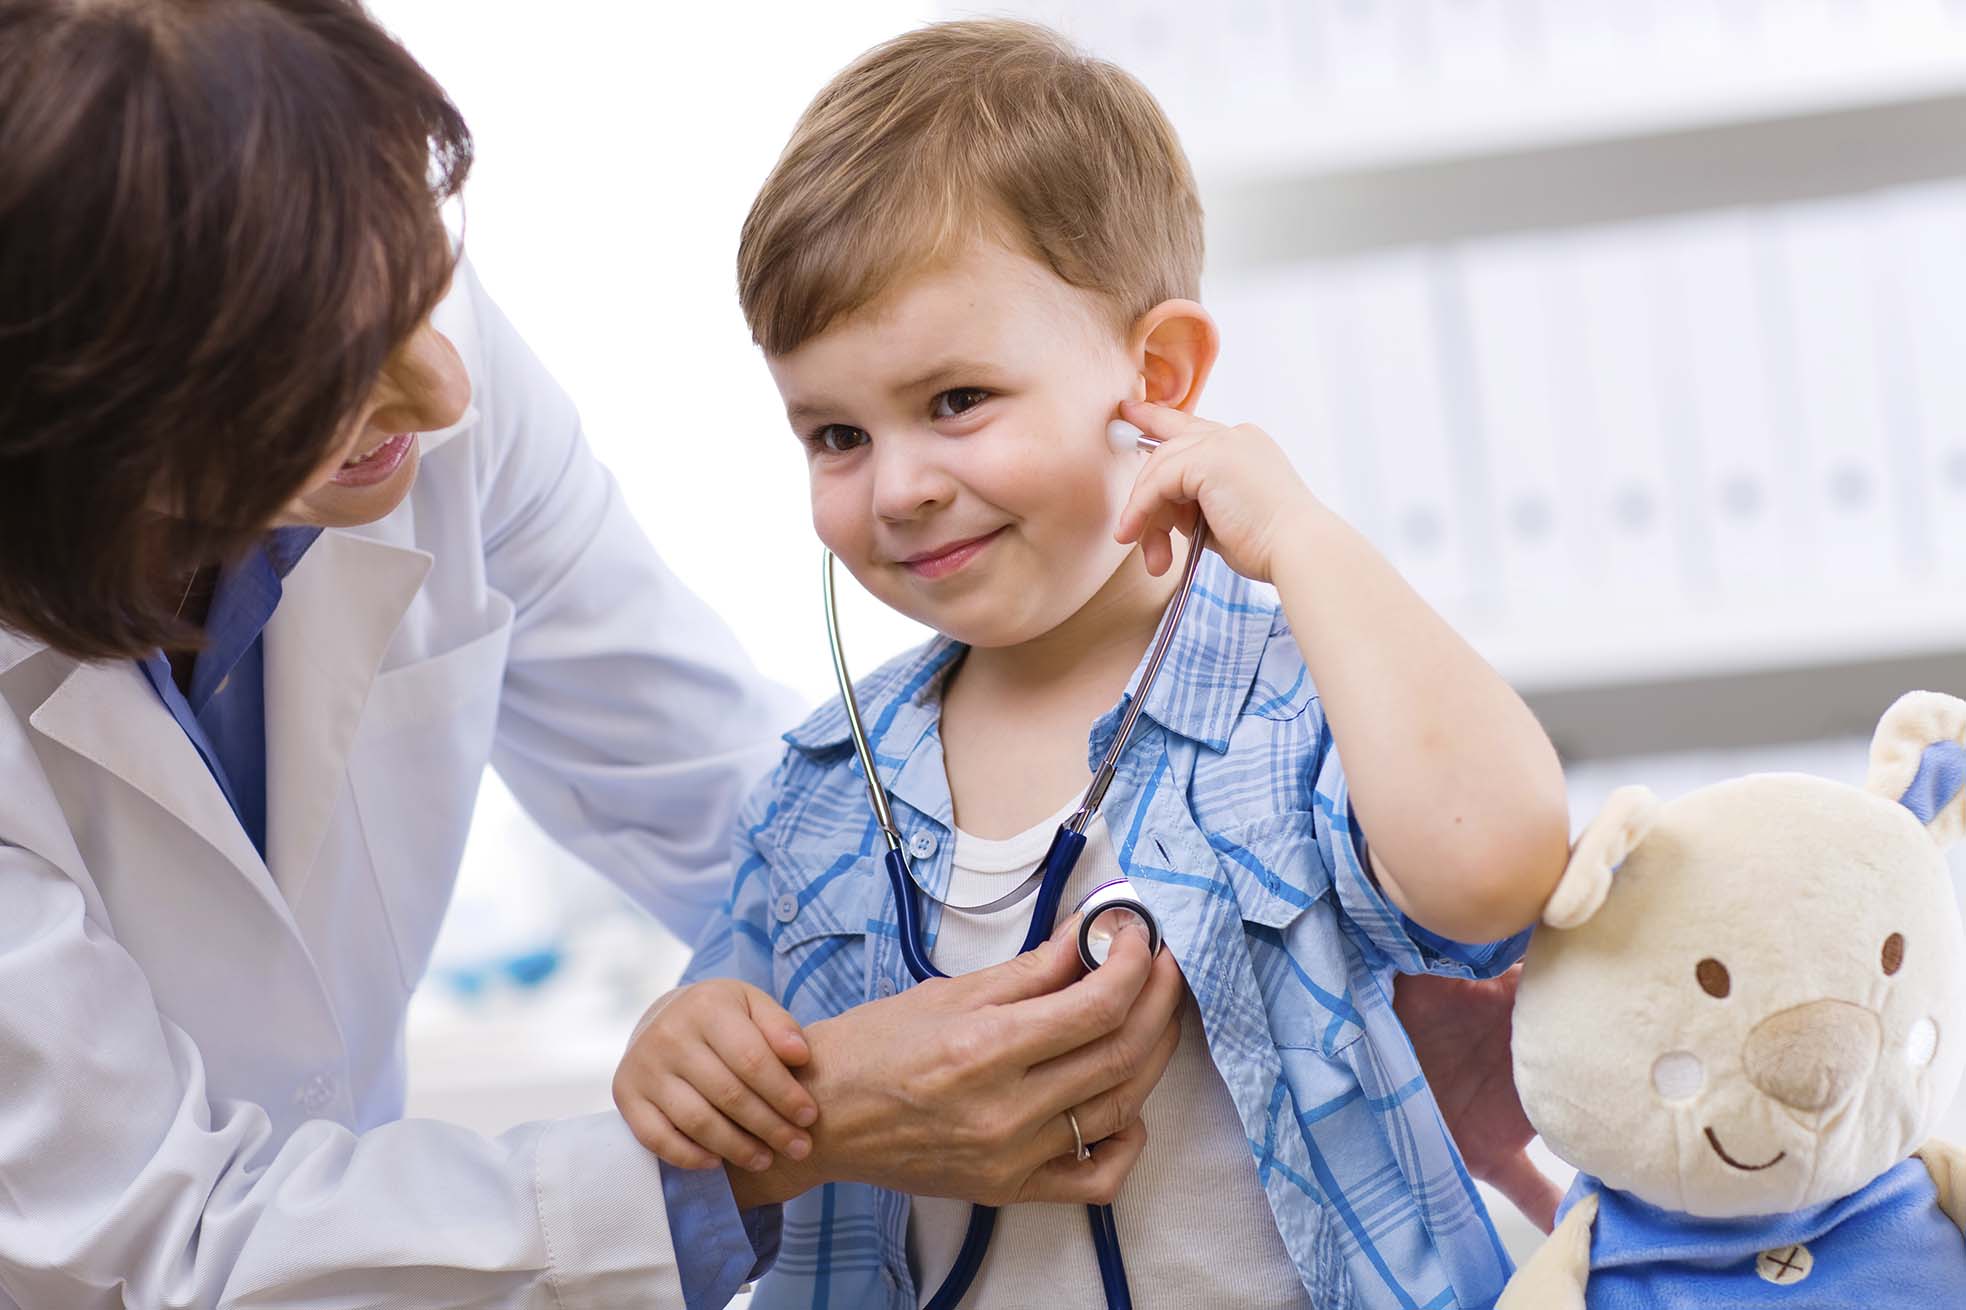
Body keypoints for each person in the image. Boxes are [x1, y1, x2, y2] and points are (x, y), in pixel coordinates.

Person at [0, 4, 1187, 1307]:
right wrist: (764, 1127)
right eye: (327, 384)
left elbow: (737, 805)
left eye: (418, 277)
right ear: (99, 429)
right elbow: (160, 1247)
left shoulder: (393, 334)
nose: (443, 392)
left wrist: (1032, 932)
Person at [615, 20, 1573, 1310]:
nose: (898, 488)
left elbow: (1493, 866)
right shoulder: (824, 785)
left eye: (956, 401)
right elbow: (725, 1052)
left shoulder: (1299, 701)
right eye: (836, 434)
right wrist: (679, 1052)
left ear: (1156, 377)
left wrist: (1299, 539)